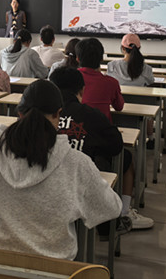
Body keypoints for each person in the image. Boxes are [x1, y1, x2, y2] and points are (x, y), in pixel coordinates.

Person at [0, 79, 122, 260]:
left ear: (19, 113)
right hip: (51, 267)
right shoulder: (76, 162)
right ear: (58, 114)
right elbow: (112, 208)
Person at [50, 66, 153, 230]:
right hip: (80, 184)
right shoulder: (92, 115)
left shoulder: (38, 116)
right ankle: (122, 213)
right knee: (124, 157)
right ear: (82, 90)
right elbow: (116, 146)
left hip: (47, 182)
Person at [75, 38, 124, 121]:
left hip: (74, 126)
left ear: (77, 59)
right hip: (102, 127)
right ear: (102, 58)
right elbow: (119, 107)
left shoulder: (68, 78)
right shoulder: (111, 83)